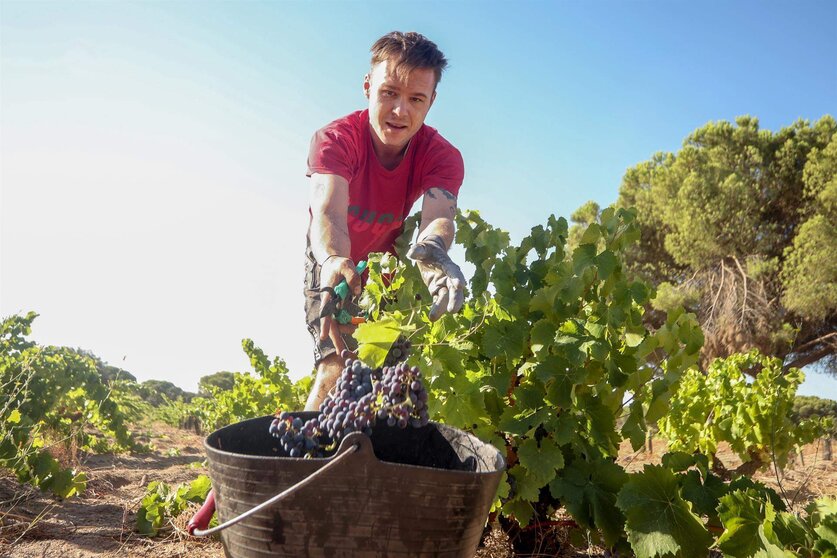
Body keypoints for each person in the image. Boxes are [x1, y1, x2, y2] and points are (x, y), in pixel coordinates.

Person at [303, 31, 466, 411]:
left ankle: (367, 465)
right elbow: (327, 210)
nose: (399, 111)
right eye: (389, 92)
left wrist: (434, 256)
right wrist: (333, 261)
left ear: (432, 102)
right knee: (336, 365)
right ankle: (302, 463)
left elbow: (438, 218)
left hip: (389, 269)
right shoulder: (335, 139)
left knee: (391, 384)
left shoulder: (443, 156)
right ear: (367, 86)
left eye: (415, 99)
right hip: (331, 261)